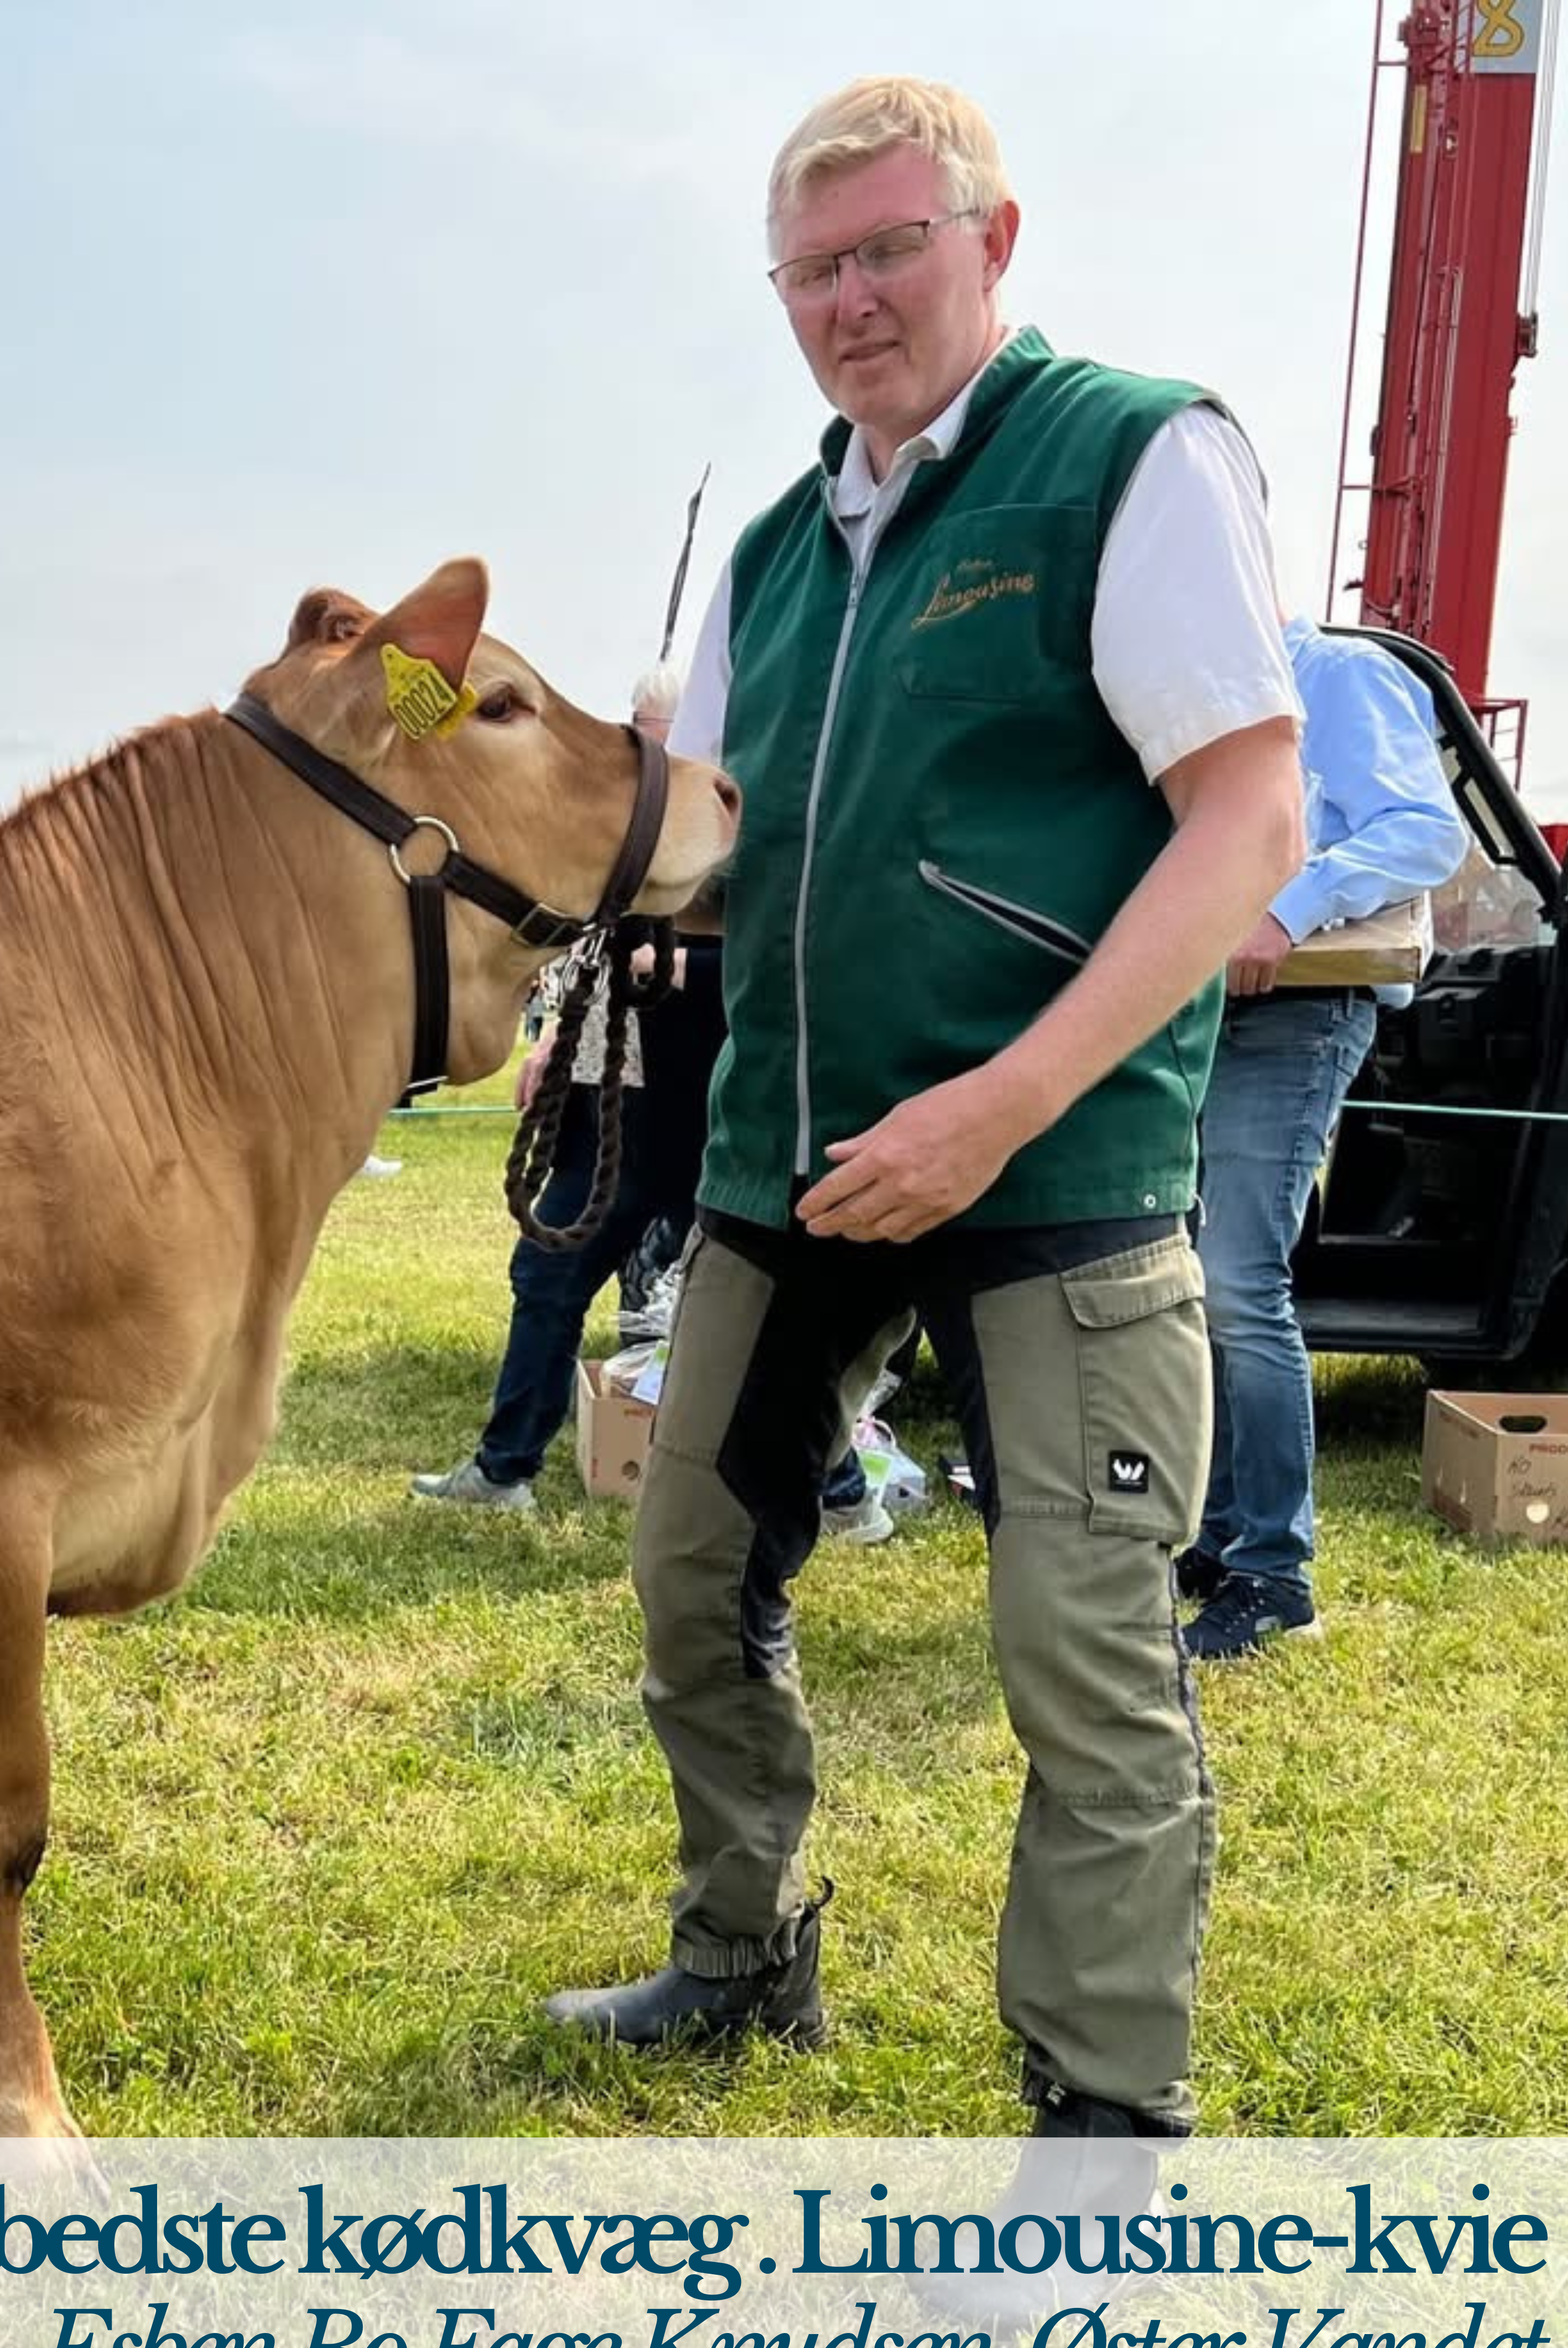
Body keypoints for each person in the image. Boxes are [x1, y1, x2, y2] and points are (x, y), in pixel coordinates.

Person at [543, 77, 1306, 2160]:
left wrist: (1006, 1099)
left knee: (1081, 1650)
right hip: (786, 1166)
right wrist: (491, 775)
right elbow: (698, 843)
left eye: (891, 249)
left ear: (993, 238)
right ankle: (736, 1957)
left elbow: (1248, 816)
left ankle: (1101, 2121)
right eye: (812, 270)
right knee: (691, 1580)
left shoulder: (1125, 455)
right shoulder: (785, 550)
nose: (851, 301)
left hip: (1050, 1175)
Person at [409, 671, 897, 1543]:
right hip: (618, 1118)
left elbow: (789, 961)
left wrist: (677, 972)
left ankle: (844, 1492)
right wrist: (562, 1040)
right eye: (638, 736)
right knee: (546, 1274)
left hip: (720, 1118)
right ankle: (504, 1467)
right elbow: (598, 948)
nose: (649, 759)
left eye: (663, 737)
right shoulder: (628, 832)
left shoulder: (761, 825)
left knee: (765, 1318)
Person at [1178, 619, 1468, 1660]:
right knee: (1195, 1286)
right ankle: (1216, 1538)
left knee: (1235, 1283)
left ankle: (1273, 1573)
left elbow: (1420, 835)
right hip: (1204, 1008)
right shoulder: (1196, 693)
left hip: (1300, 1008)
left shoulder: (1338, 675)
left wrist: (1287, 910)